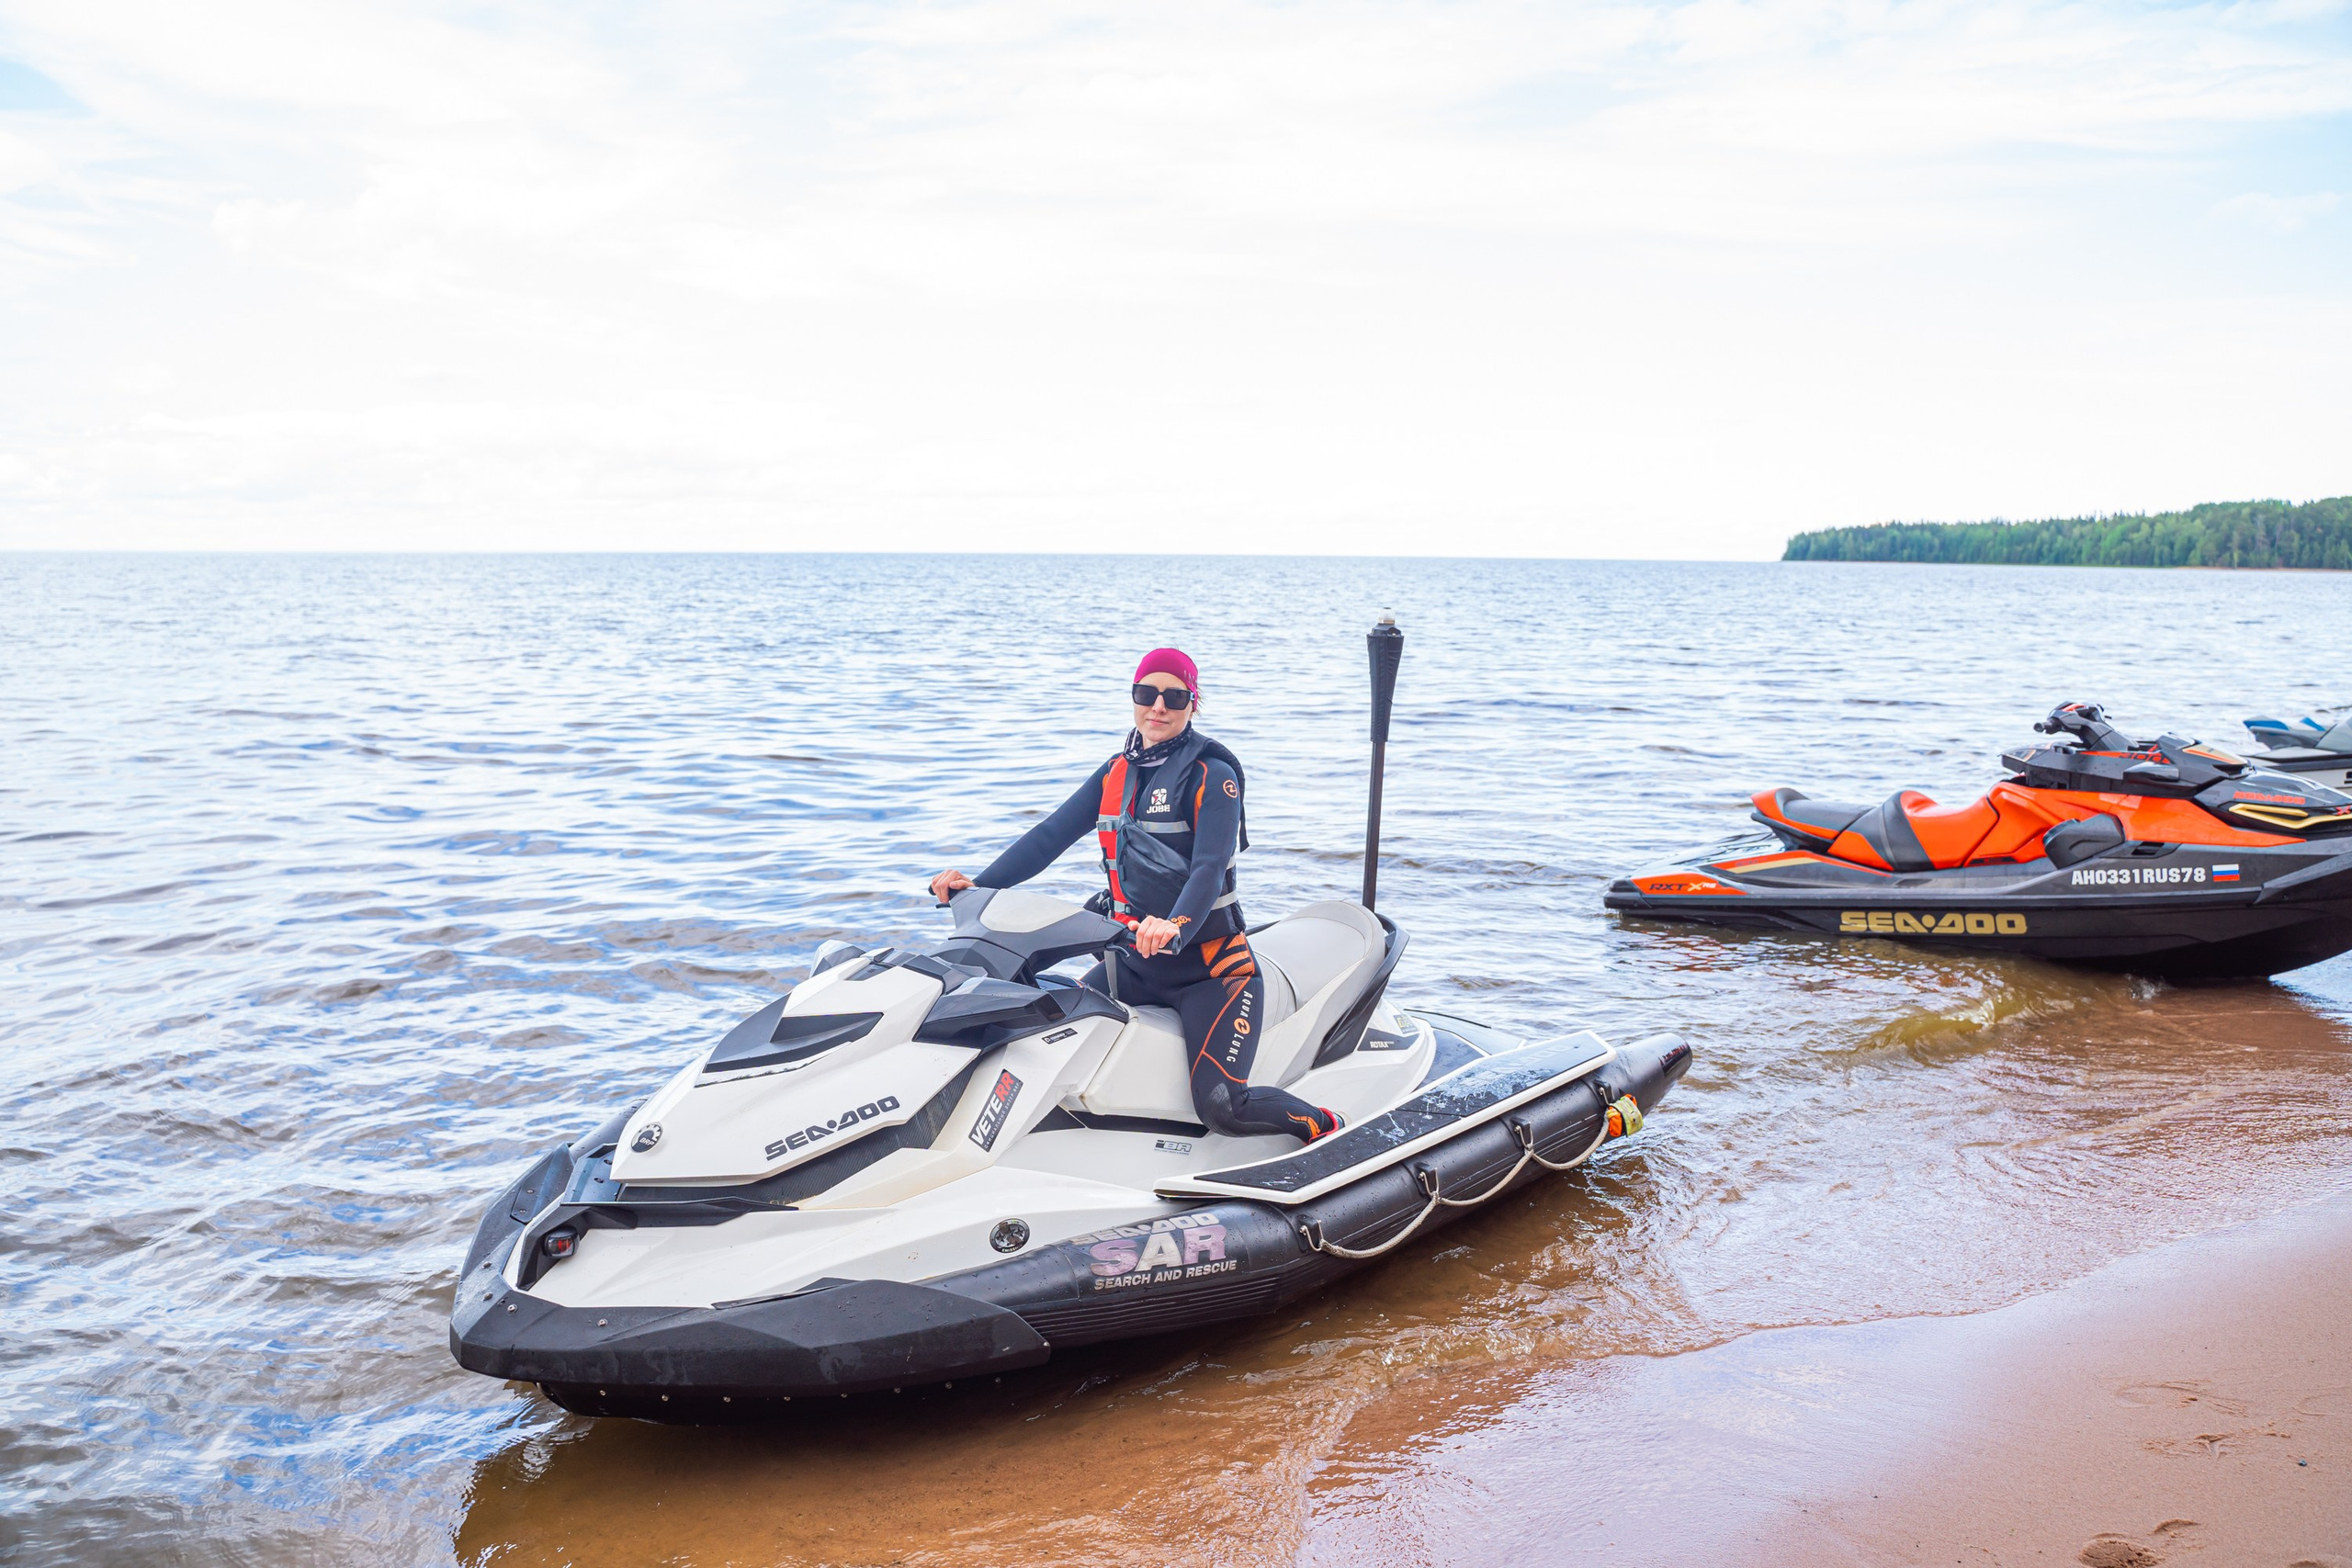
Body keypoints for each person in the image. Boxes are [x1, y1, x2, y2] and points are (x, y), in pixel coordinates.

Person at [930, 649, 1343, 1143]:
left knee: (1223, 1107)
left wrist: (1176, 925)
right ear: (1133, 698)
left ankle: (1325, 1124)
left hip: (1211, 973)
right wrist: (980, 885)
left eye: (1175, 697)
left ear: (1193, 704)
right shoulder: (1115, 773)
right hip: (1130, 963)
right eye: (1147, 693)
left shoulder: (1213, 775)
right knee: (1037, 1032)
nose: (1158, 707)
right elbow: (1049, 837)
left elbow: (1209, 868)